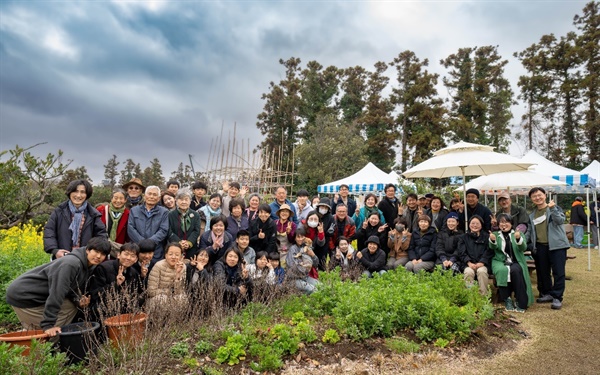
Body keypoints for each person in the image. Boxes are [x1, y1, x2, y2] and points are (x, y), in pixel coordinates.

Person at [6, 237, 111, 337]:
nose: (98, 256)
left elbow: (71, 288)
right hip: (23, 295)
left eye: (103, 254)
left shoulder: (89, 265)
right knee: (47, 332)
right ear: (88, 250)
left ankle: (38, 330)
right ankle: (38, 337)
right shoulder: (71, 264)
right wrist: (48, 325)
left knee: (71, 307)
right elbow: (57, 293)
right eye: (96, 252)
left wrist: (78, 300)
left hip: (40, 295)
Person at [528, 187, 570, 310]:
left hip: (557, 246)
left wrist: (552, 209)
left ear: (545, 195)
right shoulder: (532, 215)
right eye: (534, 196)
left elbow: (560, 220)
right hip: (540, 246)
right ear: (531, 199)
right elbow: (531, 231)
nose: (537, 198)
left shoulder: (554, 208)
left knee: (558, 272)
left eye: (539, 195)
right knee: (543, 272)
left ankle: (557, 297)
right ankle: (547, 293)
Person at [44, 179, 107, 259]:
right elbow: (49, 231)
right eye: (75, 191)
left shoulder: (93, 214)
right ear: (69, 192)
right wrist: (55, 250)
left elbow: (101, 236)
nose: (78, 195)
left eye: (82, 192)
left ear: (87, 194)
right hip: (61, 258)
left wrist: (92, 253)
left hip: (84, 259)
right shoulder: (59, 211)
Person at [490, 213, 534, 312]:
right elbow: (493, 247)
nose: (504, 225)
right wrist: (492, 240)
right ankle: (507, 299)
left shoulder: (517, 233)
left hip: (515, 260)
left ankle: (520, 301)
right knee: (502, 271)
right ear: (498, 224)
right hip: (499, 260)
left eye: (506, 222)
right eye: (501, 222)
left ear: (511, 223)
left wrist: (518, 238)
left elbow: (523, 248)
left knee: (516, 271)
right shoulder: (496, 234)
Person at [88, 242, 142, 319]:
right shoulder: (103, 268)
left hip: (122, 306)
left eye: (132, 256)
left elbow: (134, 294)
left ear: (136, 260)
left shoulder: (133, 273)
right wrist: (116, 284)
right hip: (102, 306)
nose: (128, 258)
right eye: (126, 254)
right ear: (118, 255)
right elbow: (95, 294)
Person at [128, 185, 169, 261]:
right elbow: (130, 228)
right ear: (144, 196)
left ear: (159, 198)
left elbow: (163, 230)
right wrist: (142, 242)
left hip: (155, 250)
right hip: (137, 249)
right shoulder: (134, 210)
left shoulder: (164, 212)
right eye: (149, 194)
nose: (151, 197)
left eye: (154, 195)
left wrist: (150, 242)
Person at [457, 215, 492, 296]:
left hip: (483, 264)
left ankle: (483, 297)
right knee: (468, 272)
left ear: (481, 225)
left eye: (477, 223)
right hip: (468, 264)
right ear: (469, 224)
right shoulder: (463, 237)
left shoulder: (486, 237)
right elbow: (461, 252)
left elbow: (489, 251)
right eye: (473, 223)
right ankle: (470, 297)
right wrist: (469, 262)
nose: (475, 225)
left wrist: (482, 262)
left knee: (482, 271)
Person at [147, 243, 188, 309]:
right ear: (166, 255)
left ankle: (177, 319)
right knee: (163, 299)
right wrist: (168, 292)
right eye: (170, 254)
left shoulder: (183, 267)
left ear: (181, 256)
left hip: (172, 298)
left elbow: (179, 291)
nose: (173, 257)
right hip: (156, 298)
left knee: (181, 298)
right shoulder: (158, 266)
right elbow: (151, 291)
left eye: (177, 255)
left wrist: (178, 274)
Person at [168, 188, 201, 259]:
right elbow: (169, 230)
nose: (184, 202)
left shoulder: (195, 215)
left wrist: (189, 242)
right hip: (174, 247)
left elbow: (196, 230)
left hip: (191, 248)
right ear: (176, 200)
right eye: (181, 199)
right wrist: (179, 242)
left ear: (190, 201)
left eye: (186, 199)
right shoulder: (170, 214)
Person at [97, 189, 130, 258]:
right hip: (101, 246)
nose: (118, 201)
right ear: (111, 199)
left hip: (118, 249)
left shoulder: (128, 214)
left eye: (121, 198)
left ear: (125, 200)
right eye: (115, 198)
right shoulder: (101, 210)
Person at [286, 227, 320, 294]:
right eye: (298, 237)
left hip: (305, 277)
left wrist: (313, 255)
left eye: (302, 237)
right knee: (313, 289)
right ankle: (305, 301)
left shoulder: (307, 247)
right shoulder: (292, 249)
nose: (300, 239)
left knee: (321, 287)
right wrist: (305, 268)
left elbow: (316, 264)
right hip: (294, 279)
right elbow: (291, 265)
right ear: (295, 238)